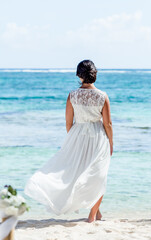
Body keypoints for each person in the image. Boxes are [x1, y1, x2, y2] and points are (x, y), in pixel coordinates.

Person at [24, 59, 113, 223]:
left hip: (77, 133)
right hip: (98, 136)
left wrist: (73, 139)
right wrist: (111, 143)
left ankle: (97, 213)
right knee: (98, 174)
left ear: (79, 75)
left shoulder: (73, 95)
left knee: (82, 172)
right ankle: (92, 216)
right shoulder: (102, 96)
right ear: (95, 75)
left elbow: (68, 122)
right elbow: (107, 124)